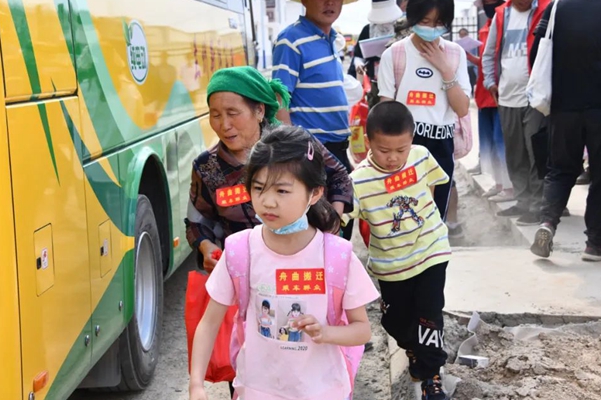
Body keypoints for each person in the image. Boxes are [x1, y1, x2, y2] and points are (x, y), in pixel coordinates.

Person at [189, 126, 379, 400]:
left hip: (323, 391)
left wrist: (325, 332)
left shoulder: (337, 256)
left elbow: (362, 330)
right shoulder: (240, 250)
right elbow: (209, 323)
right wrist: (196, 384)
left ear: (315, 193)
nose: (268, 201)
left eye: (281, 190)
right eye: (258, 188)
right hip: (258, 390)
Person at [185, 66, 353, 273]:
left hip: (306, 264)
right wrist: (206, 246)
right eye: (215, 115)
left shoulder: (295, 145)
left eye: (232, 113)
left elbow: (339, 176)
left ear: (259, 111)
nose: (224, 125)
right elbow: (197, 221)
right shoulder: (207, 167)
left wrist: (331, 226)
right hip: (246, 271)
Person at [346, 101, 451, 400]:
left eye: (401, 149)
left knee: (429, 314)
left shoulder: (421, 156)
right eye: (384, 150)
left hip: (431, 251)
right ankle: (413, 350)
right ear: (369, 142)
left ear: (412, 140)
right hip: (391, 265)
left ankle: (432, 377)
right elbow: (344, 217)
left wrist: (430, 227)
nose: (393, 158)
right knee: (394, 321)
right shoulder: (358, 181)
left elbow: (431, 188)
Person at [529, 0, 601, 261]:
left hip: (564, 107)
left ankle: (547, 223)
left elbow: (536, 54)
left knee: (560, 169)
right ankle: (595, 244)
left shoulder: (557, 6)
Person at [377, 0, 471, 221]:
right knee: (403, 213)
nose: (431, 28)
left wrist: (445, 68)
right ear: (413, 18)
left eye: (438, 22)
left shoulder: (455, 54)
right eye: (425, 21)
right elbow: (385, 110)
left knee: (436, 216)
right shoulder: (394, 54)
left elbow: (462, 108)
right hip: (404, 147)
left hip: (441, 144)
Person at [272, 0, 356, 239]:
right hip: (312, 153)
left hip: (337, 151)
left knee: (339, 231)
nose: (330, 3)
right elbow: (280, 99)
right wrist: (294, 154)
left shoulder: (331, 40)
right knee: (318, 233)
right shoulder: (291, 40)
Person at [482, 0, 551, 226]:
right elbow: (489, 54)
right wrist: (491, 82)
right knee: (515, 153)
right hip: (507, 97)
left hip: (535, 97)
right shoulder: (501, 15)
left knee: (536, 152)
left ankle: (538, 205)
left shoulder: (547, 9)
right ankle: (523, 201)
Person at [466, 0, 514, 203]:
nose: (488, 4)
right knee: (490, 143)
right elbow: (486, 60)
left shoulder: (507, 22)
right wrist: (471, 57)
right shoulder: (486, 26)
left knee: (500, 141)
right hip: (484, 94)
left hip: (499, 93)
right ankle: (499, 183)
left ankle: (510, 187)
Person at [347, 0, 404, 109]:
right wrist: (359, 65)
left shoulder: (403, 29)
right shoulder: (367, 30)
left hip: (399, 82)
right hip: (374, 84)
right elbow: (358, 55)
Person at [458, 28, 478, 95]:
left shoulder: (473, 44)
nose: (463, 36)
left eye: (464, 34)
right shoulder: (457, 45)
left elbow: (476, 55)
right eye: (461, 35)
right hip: (461, 66)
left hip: (471, 66)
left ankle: (471, 93)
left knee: (471, 80)